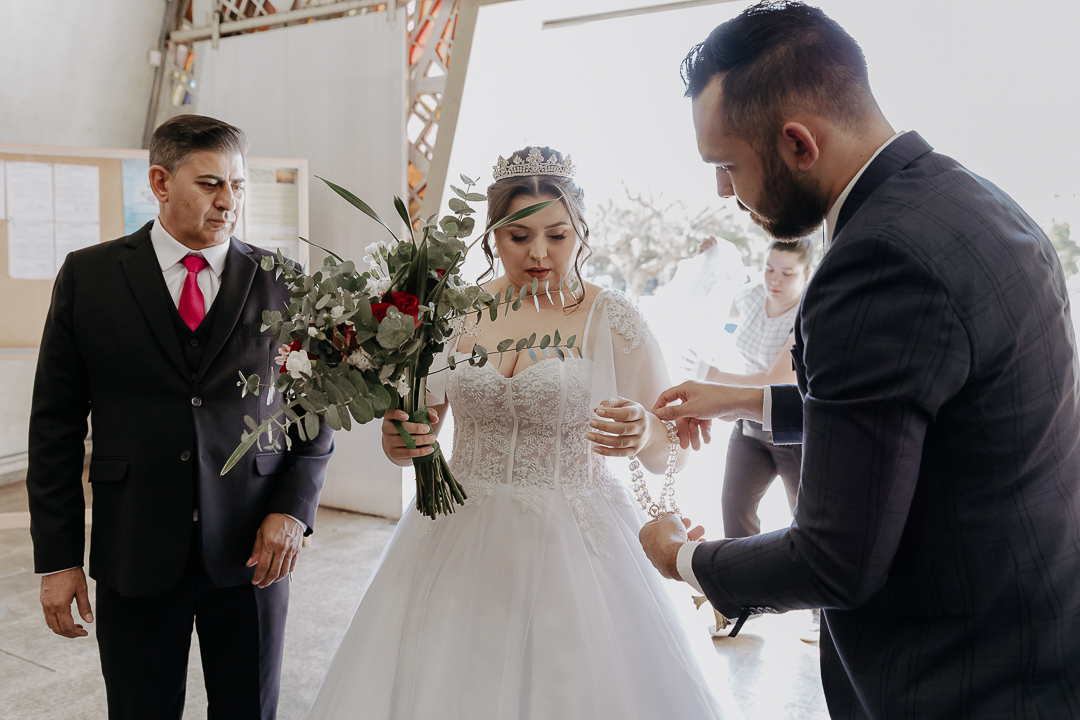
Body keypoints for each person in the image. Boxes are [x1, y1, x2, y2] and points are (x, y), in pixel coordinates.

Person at [638, 2, 1080, 718]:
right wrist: (743, 400)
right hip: (1037, 636)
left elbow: (834, 558)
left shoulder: (876, 259)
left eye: (726, 166)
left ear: (797, 143)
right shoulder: (971, 199)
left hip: (960, 676)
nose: (722, 193)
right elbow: (913, 404)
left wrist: (679, 558)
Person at [306, 147, 737, 719]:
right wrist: (399, 441)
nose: (539, 253)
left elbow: (672, 454)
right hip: (454, 533)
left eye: (557, 236)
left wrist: (645, 435)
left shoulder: (613, 319)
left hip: (576, 545)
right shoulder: (455, 312)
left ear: (581, 233)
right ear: (493, 235)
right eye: (519, 236)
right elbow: (417, 435)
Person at [27, 114, 334, 720]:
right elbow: (54, 428)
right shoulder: (89, 276)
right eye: (210, 184)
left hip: (253, 548)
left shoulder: (284, 281)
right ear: (160, 183)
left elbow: (315, 406)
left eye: (237, 185)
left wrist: (294, 510)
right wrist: (58, 558)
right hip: (134, 545)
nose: (229, 202)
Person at [689, 236, 812, 538]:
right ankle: (737, 569)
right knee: (734, 510)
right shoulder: (753, 295)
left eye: (787, 273)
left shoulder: (807, 315)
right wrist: (714, 258)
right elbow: (711, 302)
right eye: (769, 269)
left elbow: (773, 381)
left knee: (804, 518)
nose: (775, 280)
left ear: (807, 274)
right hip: (747, 421)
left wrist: (712, 374)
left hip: (789, 429)